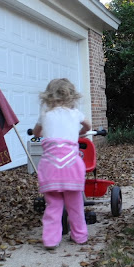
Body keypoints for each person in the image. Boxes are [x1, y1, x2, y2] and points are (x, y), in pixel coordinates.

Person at [32, 78, 91, 248]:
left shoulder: (45, 115)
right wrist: (81, 131)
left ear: (48, 96)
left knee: (53, 206)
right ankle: (80, 236)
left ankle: (51, 240)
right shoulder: (75, 113)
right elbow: (88, 125)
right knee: (75, 206)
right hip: (71, 166)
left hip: (50, 167)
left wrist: (43, 132)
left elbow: (36, 133)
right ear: (72, 96)